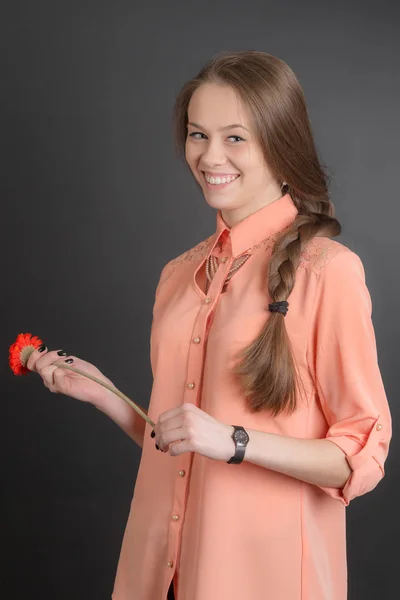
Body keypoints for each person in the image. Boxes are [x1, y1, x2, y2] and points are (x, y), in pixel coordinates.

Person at [27, 50, 392, 600]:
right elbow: (182, 442)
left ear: (280, 142)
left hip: (264, 580)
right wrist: (106, 395)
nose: (210, 156)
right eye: (198, 135)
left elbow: (360, 455)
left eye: (235, 137)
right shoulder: (178, 276)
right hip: (161, 573)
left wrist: (236, 441)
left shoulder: (329, 273)